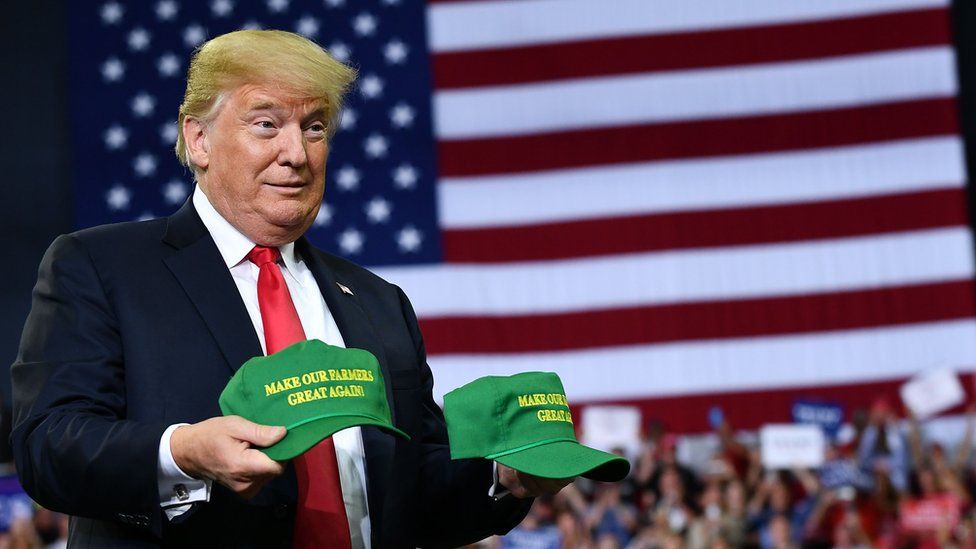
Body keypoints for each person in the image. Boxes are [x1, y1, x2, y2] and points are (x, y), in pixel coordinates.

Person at [10, 29, 570, 547]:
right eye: (266, 124)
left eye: (315, 126)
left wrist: (505, 473)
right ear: (198, 139)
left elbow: (414, 493)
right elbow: (48, 445)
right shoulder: (101, 266)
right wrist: (182, 452)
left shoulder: (378, 302)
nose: (296, 154)